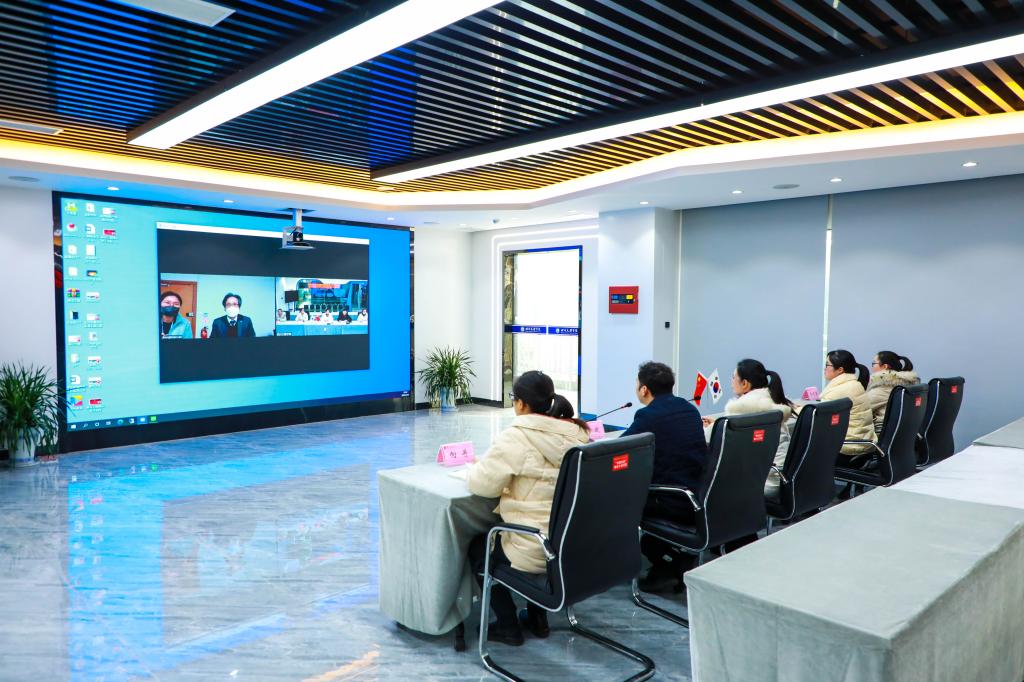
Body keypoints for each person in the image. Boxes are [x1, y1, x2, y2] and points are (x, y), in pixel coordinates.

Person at [466, 371, 590, 646]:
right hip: (569, 544)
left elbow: (482, 485)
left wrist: (476, 467)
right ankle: (537, 619)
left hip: (534, 547)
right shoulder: (578, 433)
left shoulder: (516, 437)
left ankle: (508, 625)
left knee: (478, 548)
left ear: (521, 403)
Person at [618, 362, 708, 594]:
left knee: (619, 502)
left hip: (672, 500)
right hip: (699, 494)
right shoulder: (688, 409)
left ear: (644, 389)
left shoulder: (649, 416)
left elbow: (621, 448)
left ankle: (667, 561)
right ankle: (672, 558)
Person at [703, 359, 792, 500]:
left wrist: (712, 427)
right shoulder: (772, 407)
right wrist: (716, 424)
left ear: (745, 384)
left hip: (761, 483)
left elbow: (707, 437)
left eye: (733, 378)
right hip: (776, 478)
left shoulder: (741, 410)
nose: (731, 382)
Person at [818, 349, 876, 461]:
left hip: (848, 449)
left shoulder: (839, 390)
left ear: (840, 369)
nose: (825, 368)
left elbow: (817, 417)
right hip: (863, 444)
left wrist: (793, 409)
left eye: (827, 365)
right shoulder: (855, 384)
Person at [865, 351, 919, 434]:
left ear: (885, 366)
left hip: (880, 432)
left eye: (874, 364)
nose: (872, 367)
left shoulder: (883, 387)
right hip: (900, 432)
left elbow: (861, 408)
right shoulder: (906, 384)